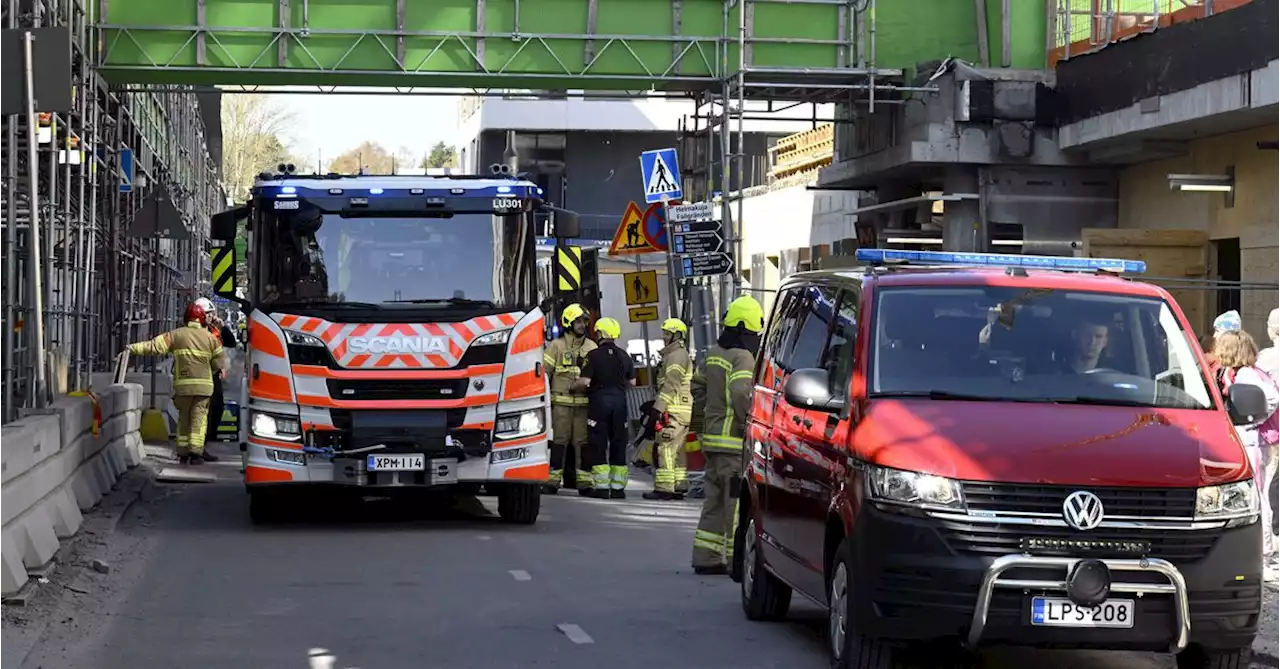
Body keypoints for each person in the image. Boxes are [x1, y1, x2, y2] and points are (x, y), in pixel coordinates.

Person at [691, 295, 764, 575]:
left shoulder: (714, 353)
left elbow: (697, 389)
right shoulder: (743, 356)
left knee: (713, 500)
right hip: (734, 445)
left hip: (712, 441)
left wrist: (710, 412)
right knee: (735, 505)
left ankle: (706, 557)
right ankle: (737, 562)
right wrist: (749, 421)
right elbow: (740, 394)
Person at [1213, 329, 1280, 583]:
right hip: (1249, 439)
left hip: (1253, 440)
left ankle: (1264, 555)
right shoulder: (1237, 373)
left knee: (1257, 495)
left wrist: (1254, 421)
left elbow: (1272, 397)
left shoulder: (1247, 375)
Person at [127, 301, 227, 465]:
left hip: (183, 387)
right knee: (199, 420)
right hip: (204, 387)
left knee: (184, 419)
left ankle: (182, 453)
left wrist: (132, 348)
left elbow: (154, 346)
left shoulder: (176, 335)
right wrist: (210, 370)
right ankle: (196, 453)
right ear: (201, 319)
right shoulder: (210, 338)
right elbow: (219, 362)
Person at [575, 317, 635, 499]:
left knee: (598, 443)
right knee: (618, 443)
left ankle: (602, 487)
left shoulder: (593, 356)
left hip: (599, 404)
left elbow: (585, 382)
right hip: (619, 404)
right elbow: (631, 382)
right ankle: (618, 489)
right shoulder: (624, 355)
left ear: (600, 333)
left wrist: (572, 386)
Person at [542, 303, 597, 495]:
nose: (582, 325)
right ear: (568, 323)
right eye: (578, 321)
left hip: (583, 407)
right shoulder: (556, 347)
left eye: (584, 321)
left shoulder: (592, 347)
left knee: (583, 444)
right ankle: (552, 481)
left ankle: (584, 483)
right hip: (561, 407)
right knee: (559, 442)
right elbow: (543, 376)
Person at [644, 318, 694, 501]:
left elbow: (670, 385)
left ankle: (664, 488)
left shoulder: (676, 356)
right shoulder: (677, 355)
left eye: (667, 333)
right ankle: (679, 485)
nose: (664, 337)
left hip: (673, 410)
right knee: (677, 450)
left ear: (677, 335)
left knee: (665, 447)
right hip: (680, 410)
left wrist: (657, 410)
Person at [195, 297, 239, 460]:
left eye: (211, 313)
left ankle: (206, 440)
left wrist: (223, 326)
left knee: (217, 407)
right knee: (203, 412)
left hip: (213, 375)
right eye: (208, 313)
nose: (211, 316)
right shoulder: (196, 331)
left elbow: (231, 342)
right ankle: (198, 447)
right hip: (201, 375)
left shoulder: (213, 329)